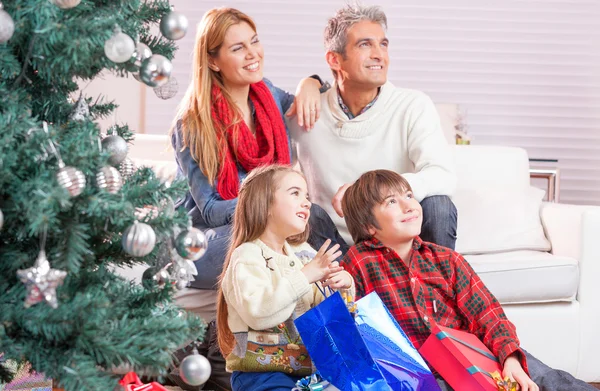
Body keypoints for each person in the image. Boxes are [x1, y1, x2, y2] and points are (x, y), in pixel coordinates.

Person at [167, 8, 346, 390]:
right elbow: (212, 211)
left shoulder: (267, 97)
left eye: (255, 41)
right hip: (202, 243)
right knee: (302, 220)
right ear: (212, 61)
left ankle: (354, 312)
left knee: (307, 221)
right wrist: (266, 200)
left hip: (258, 230)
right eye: (237, 48)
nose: (253, 54)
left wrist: (310, 82)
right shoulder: (191, 123)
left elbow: (322, 89)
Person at [340, 169, 596, 391]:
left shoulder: (446, 260)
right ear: (368, 226)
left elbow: (488, 314)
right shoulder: (359, 262)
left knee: (544, 376)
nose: (409, 205)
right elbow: (348, 326)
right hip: (419, 375)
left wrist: (510, 358)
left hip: (474, 358)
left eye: (409, 195)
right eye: (392, 202)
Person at [289, 4, 457, 250]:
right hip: (338, 248)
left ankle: (433, 286)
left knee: (439, 204)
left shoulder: (412, 105)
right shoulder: (305, 111)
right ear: (334, 59)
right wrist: (308, 82)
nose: (380, 54)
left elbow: (443, 176)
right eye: (365, 45)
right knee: (306, 214)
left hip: (401, 245)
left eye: (383, 44)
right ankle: (352, 287)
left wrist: (366, 193)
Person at [216, 164, 354, 391]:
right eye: (295, 193)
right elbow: (258, 314)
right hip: (262, 374)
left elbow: (327, 312)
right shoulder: (248, 255)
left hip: (312, 371)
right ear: (265, 203)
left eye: (307, 196)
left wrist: (343, 285)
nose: (307, 202)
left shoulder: (303, 252)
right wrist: (305, 275)